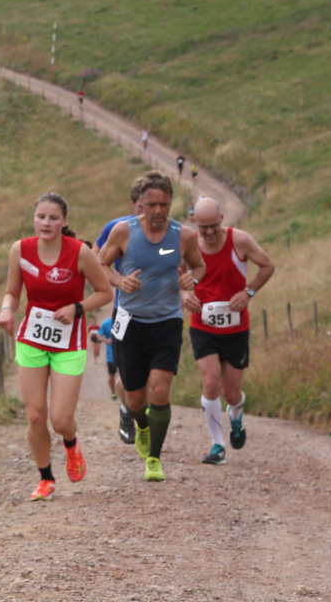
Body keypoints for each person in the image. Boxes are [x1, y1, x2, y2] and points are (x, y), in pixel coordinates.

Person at [0, 193, 113, 500]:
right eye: (41, 217)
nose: (46, 223)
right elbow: (12, 292)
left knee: (61, 419)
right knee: (36, 416)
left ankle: (71, 444)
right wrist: (6, 310)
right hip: (32, 338)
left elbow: (105, 293)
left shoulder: (79, 252)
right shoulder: (20, 250)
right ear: (34, 219)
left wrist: (77, 308)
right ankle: (46, 478)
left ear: (64, 221)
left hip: (69, 341)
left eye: (53, 218)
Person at [98, 171, 203, 482]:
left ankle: (154, 458)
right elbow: (101, 264)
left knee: (159, 389)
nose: (158, 211)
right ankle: (142, 426)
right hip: (129, 321)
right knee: (134, 399)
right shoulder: (123, 231)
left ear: (171, 203)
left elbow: (199, 265)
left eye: (164, 204)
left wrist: (192, 280)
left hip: (167, 321)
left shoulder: (183, 236)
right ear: (140, 204)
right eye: (152, 204)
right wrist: (120, 280)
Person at [185, 197, 275, 466]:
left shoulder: (240, 240)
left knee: (231, 392)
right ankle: (217, 445)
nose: (210, 232)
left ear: (222, 218)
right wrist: (184, 294)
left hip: (236, 326)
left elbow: (268, 265)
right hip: (202, 325)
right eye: (203, 227)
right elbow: (174, 274)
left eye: (214, 225)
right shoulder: (187, 244)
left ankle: (236, 416)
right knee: (211, 381)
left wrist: (248, 292)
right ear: (194, 222)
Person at [95, 190, 143, 444]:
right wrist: (118, 280)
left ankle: (145, 420)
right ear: (134, 203)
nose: (150, 212)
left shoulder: (170, 232)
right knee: (126, 376)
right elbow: (96, 259)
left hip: (162, 314)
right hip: (125, 311)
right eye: (143, 206)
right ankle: (126, 412)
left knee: (155, 376)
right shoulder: (117, 228)